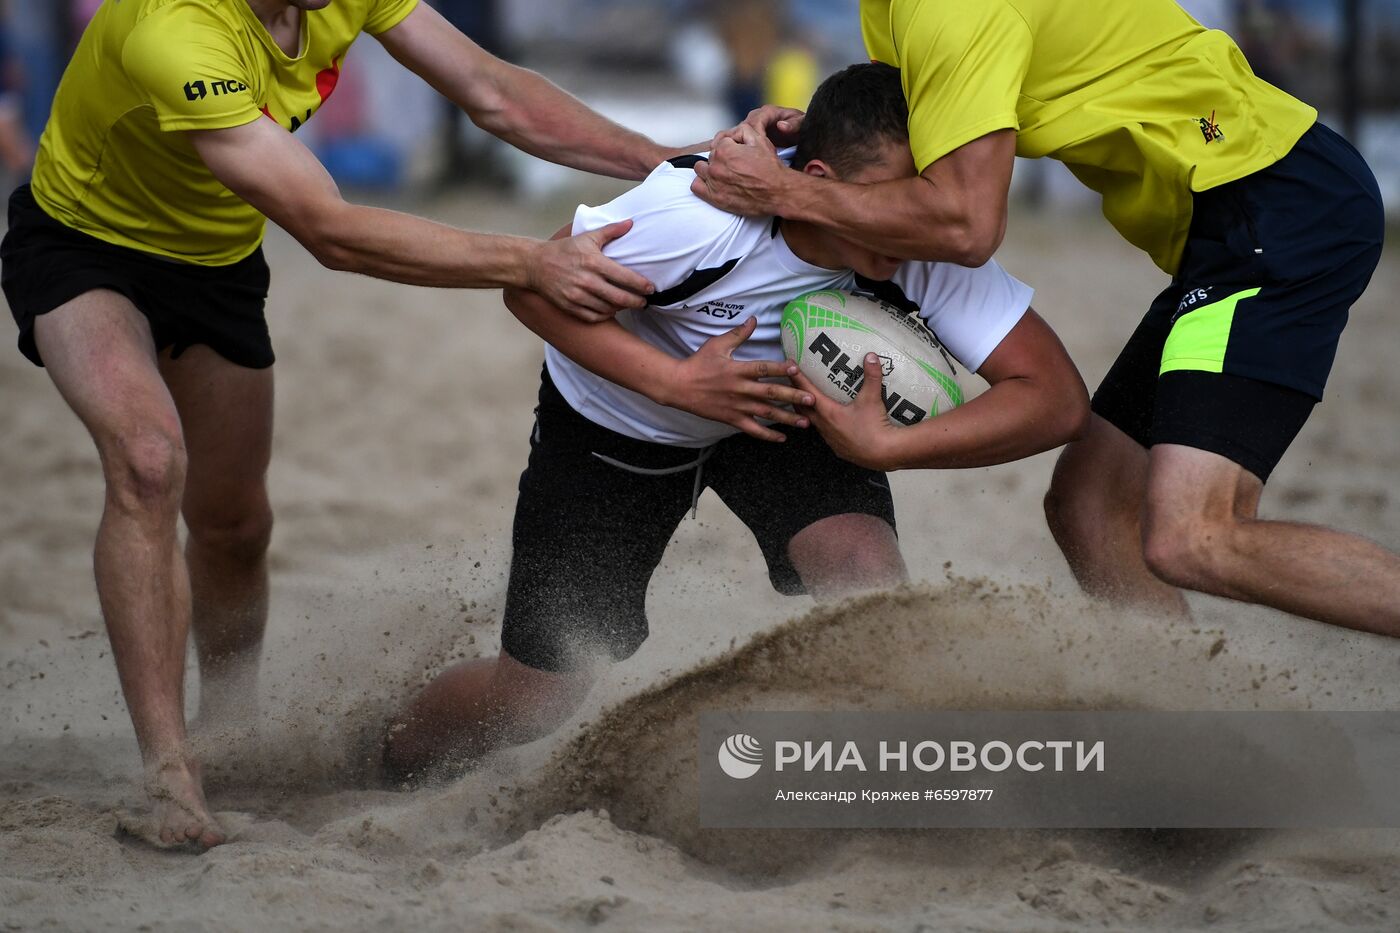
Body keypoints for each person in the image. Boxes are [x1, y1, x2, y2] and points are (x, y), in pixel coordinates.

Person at [1, 0, 699, 851]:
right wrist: (530, 260)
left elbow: (492, 90)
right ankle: (170, 776)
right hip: (84, 247)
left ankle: (230, 732)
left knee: (235, 524)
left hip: (215, 262)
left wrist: (667, 159)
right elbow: (331, 231)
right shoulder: (174, 30)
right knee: (148, 462)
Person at [381, 63, 1088, 781]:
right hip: (618, 423)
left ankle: (896, 793)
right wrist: (678, 382)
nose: (904, 220)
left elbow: (1055, 396)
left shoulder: (925, 242)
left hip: (783, 408)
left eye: (920, 199)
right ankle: (386, 756)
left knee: (871, 588)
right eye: (887, 199)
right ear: (813, 177)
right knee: (534, 699)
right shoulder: (697, 216)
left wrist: (892, 445)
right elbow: (532, 291)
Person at [692, 0, 1397, 635]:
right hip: (1236, 220)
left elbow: (968, 224)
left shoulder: (949, 9)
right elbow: (906, 121)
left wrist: (783, 189)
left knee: (1193, 538)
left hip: (1270, 202)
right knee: (1090, 509)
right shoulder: (896, 11)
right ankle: (1201, 735)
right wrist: (814, 138)